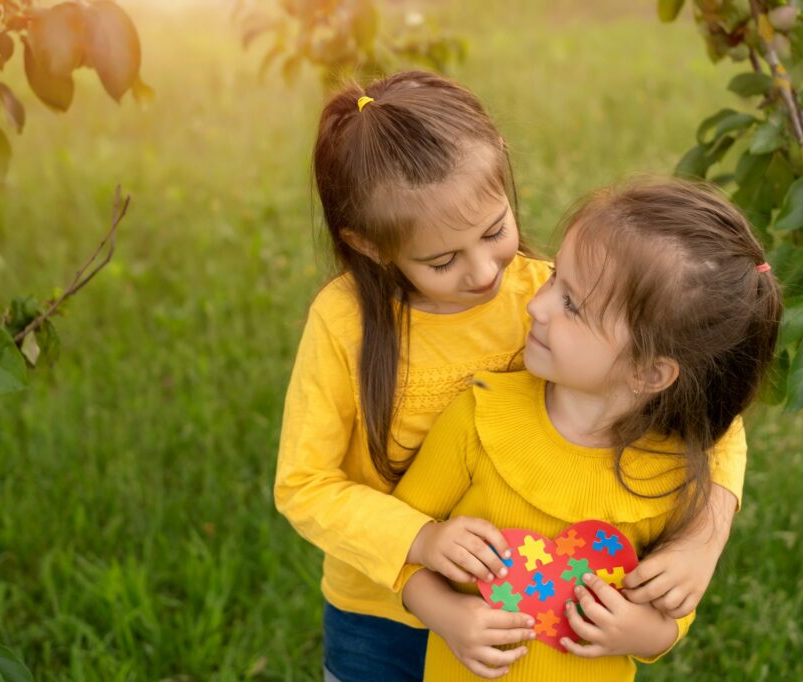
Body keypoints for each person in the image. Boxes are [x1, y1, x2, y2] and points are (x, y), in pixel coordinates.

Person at [274, 71, 748, 682]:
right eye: (442, 260)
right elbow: (304, 485)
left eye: (496, 230)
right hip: (378, 611)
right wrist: (420, 541)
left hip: (521, 612)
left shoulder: (557, 301)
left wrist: (702, 540)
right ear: (369, 245)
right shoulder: (346, 325)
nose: (482, 271)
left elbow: (713, 411)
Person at [393, 179, 783, 681]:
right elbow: (402, 543)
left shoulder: (670, 471)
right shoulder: (480, 417)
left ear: (649, 373)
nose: (537, 304)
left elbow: (671, 614)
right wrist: (446, 615)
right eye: (555, 277)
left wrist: (638, 632)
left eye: (573, 305)